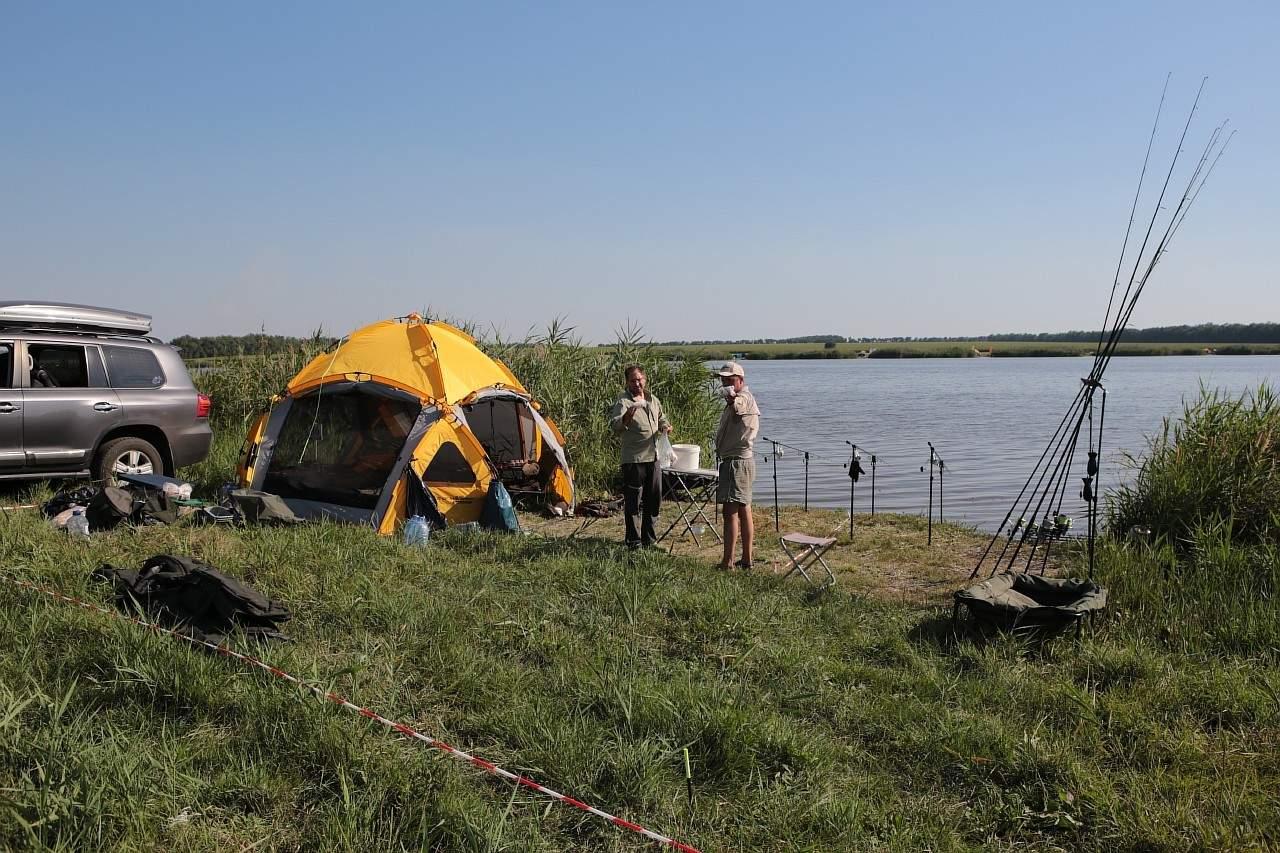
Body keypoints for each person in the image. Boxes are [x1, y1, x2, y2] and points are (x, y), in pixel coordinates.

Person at [609, 365, 672, 549]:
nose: (637, 384)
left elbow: (661, 418)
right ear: (627, 382)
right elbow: (615, 426)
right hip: (634, 459)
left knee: (654, 499)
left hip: (653, 456)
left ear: (645, 379)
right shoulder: (623, 401)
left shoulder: (653, 399)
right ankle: (633, 541)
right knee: (633, 502)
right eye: (633, 381)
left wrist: (665, 426)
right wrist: (628, 416)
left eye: (639, 380)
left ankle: (649, 540)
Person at [714, 361, 760, 569]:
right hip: (740, 461)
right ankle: (746, 559)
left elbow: (738, 405)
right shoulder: (742, 398)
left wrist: (732, 398)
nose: (726, 384)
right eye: (723, 380)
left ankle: (728, 562)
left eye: (730, 380)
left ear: (741, 380)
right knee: (743, 509)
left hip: (737, 462)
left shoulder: (743, 398)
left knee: (730, 511)